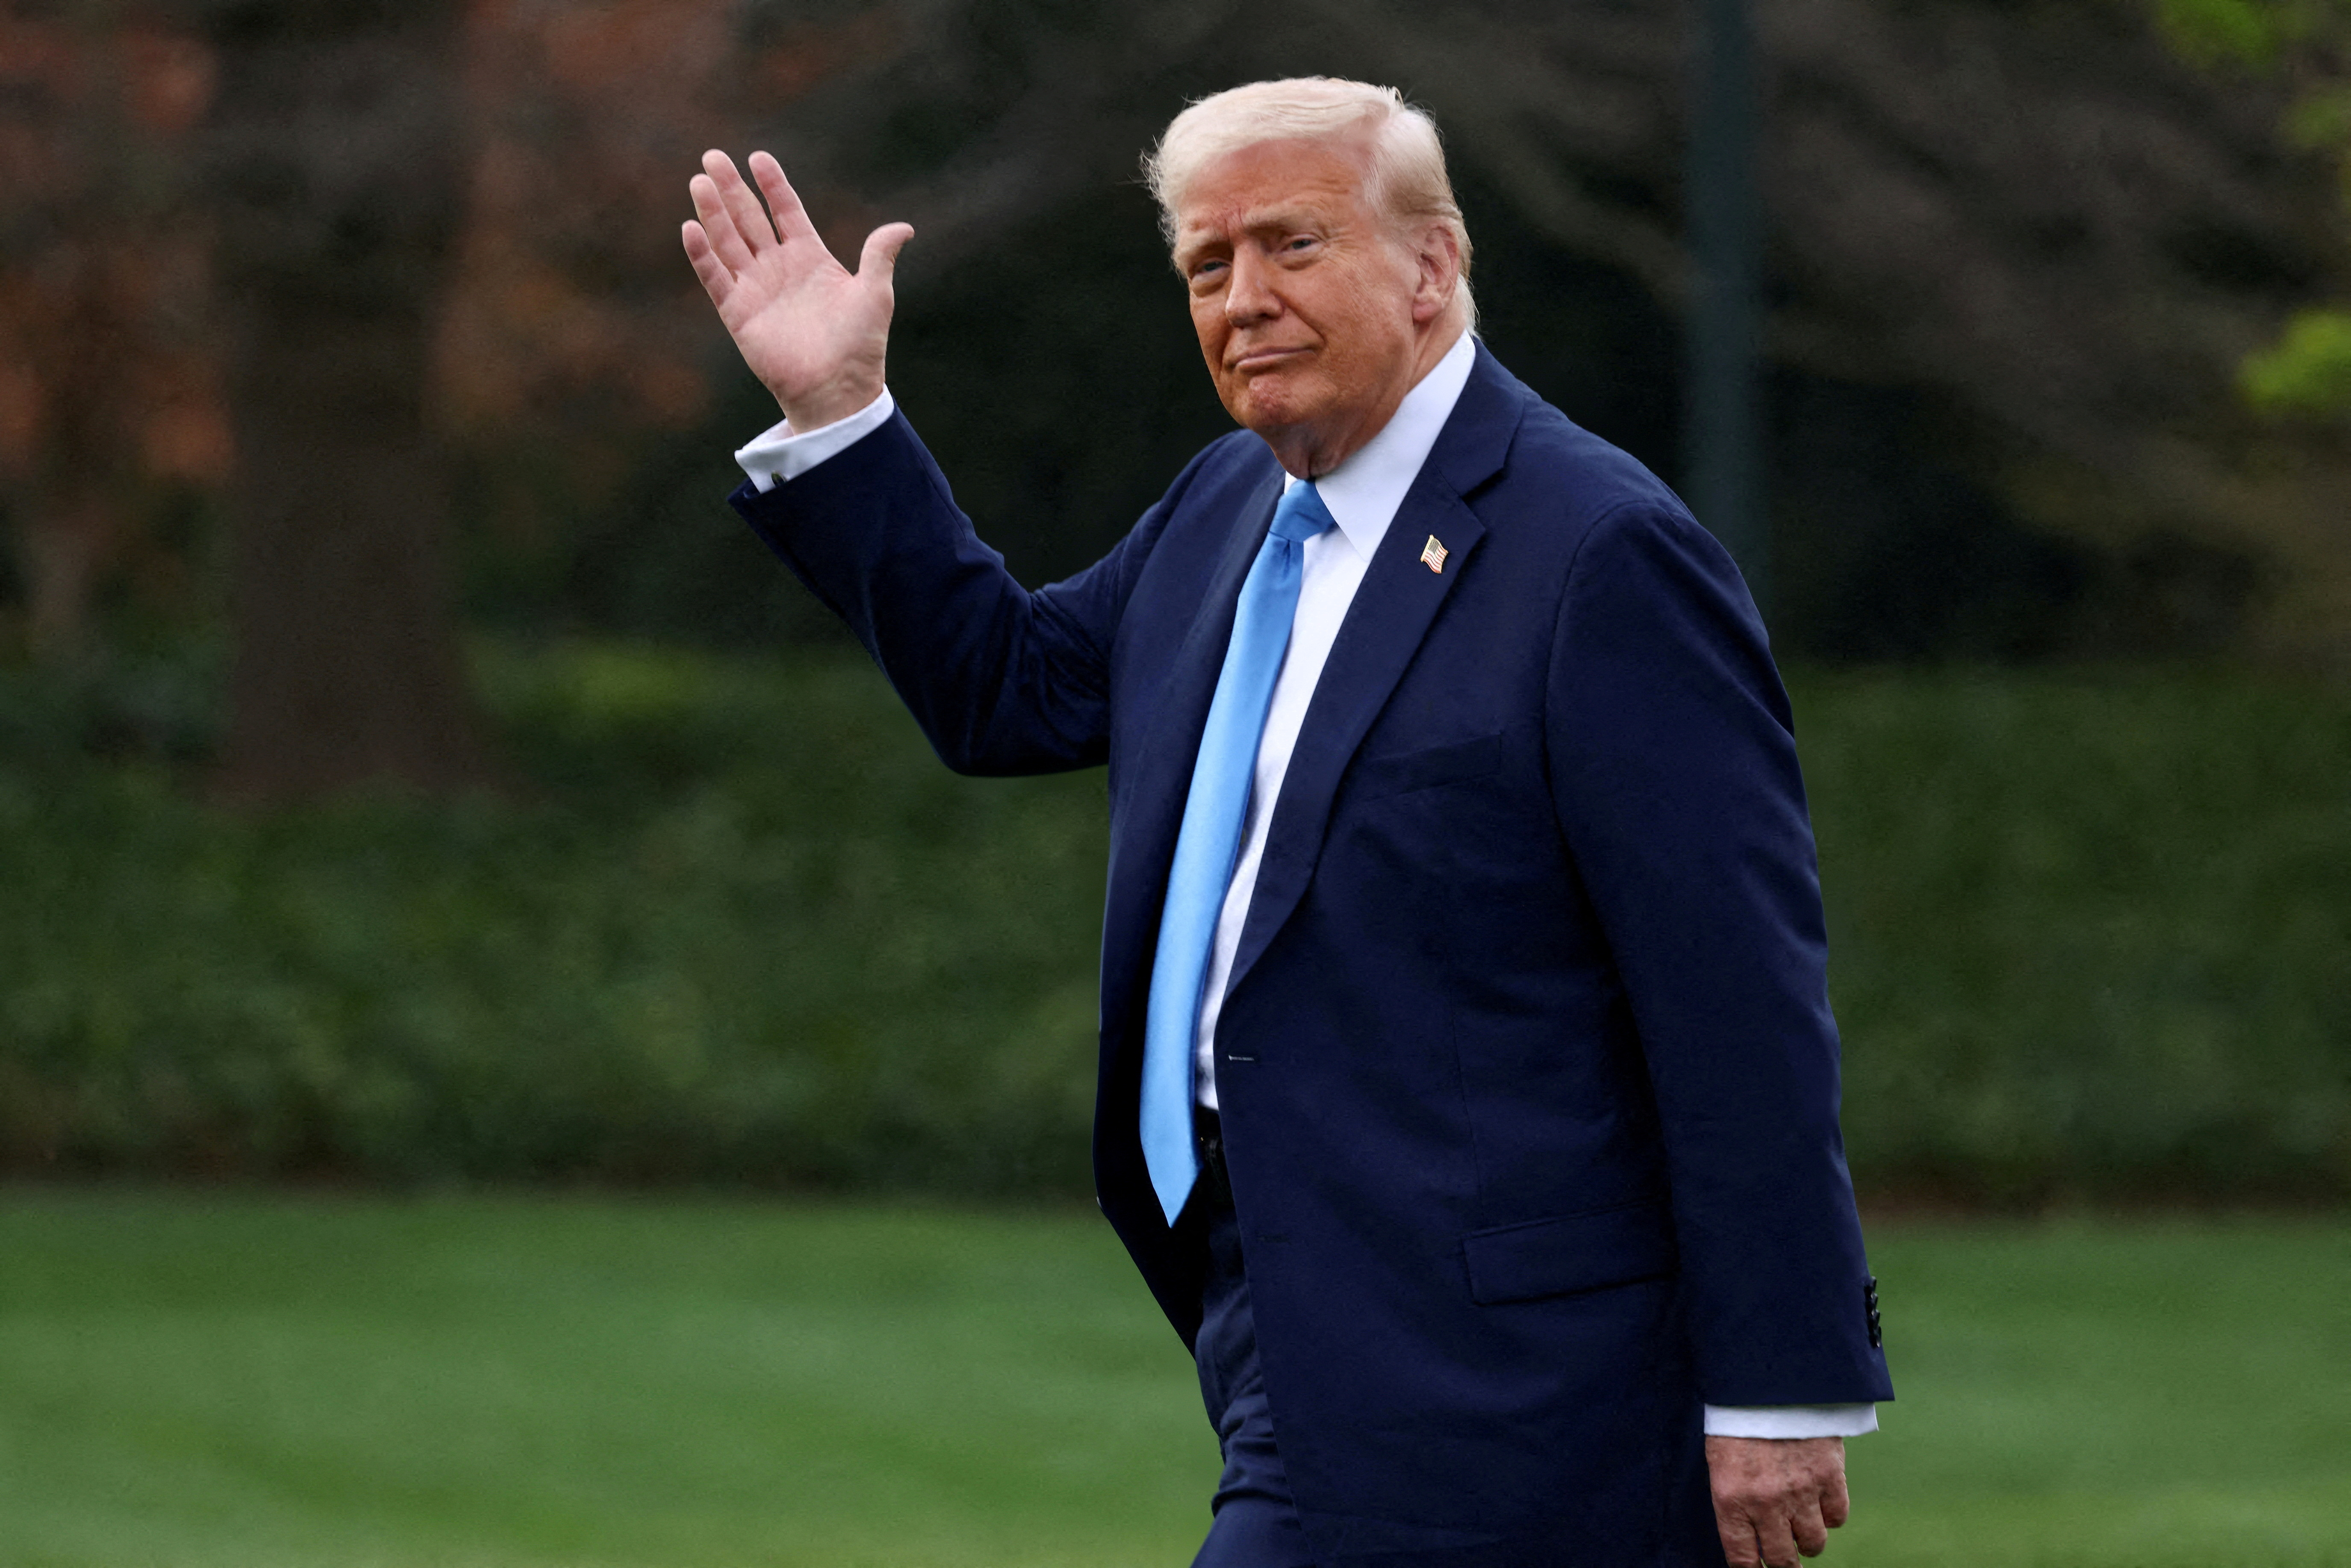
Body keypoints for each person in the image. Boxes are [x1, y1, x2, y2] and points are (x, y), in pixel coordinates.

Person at [682, 76, 1892, 1568]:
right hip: (1279, 1313)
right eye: (1206, 264)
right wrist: (837, 413)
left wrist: (1781, 1380)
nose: (1243, 298)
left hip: (1522, 1372)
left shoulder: (1601, 553)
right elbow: (1007, 692)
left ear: (1432, 266)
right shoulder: (1222, 507)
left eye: (1290, 245)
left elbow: (1738, 993)